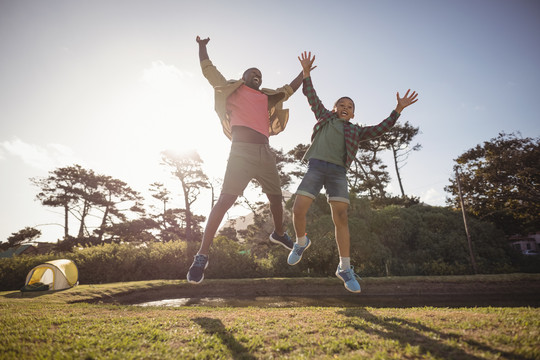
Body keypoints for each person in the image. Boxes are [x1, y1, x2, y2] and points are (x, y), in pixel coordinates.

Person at [288, 51, 418, 293]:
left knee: (341, 217)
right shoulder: (325, 117)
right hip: (316, 166)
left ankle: (344, 268)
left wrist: (397, 110)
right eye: (342, 105)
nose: (345, 108)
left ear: (353, 113)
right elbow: (311, 96)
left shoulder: (356, 131)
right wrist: (306, 73)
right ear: (335, 108)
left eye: (350, 106)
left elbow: (381, 128)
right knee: (298, 209)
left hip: (337, 172)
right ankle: (301, 242)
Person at [187, 36, 304, 284]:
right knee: (224, 202)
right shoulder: (233, 90)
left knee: (276, 198)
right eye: (252, 73)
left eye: (260, 74)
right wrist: (202, 47)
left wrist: (303, 73)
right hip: (240, 152)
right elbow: (209, 72)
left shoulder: (267, 97)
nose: (257, 75)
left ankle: (279, 233)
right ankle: (201, 256)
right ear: (243, 76)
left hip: (264, 151)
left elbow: (289, 90)